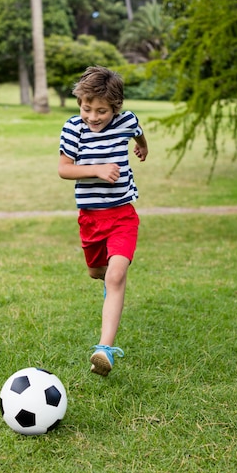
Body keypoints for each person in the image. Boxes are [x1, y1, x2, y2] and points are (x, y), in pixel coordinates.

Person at [58, 66, 148, 376]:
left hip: (122, 215)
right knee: (98, 272)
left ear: (116, 108)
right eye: (87, 108)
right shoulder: (73, 129)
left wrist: (143, 146)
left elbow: (138, 131)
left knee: (116, 275)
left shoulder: (126, 121)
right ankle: (108, 280)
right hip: (91, 220)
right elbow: (64, 169)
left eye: (102, 111)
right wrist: (96, 170)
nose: (93, 116)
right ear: (79, 103)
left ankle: (104, 349)